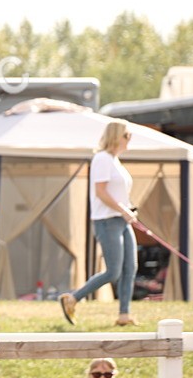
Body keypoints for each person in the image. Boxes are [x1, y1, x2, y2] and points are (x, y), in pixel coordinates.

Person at [59, 121, 140, 327]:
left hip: (121, 220)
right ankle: (73, 298)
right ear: (117, 136)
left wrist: (128, 210)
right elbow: (101, 192)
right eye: (127, 135)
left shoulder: (115, 160)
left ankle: (124, 315)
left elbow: (117, 193)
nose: (129, 138)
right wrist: (123, 211)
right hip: (107, 221)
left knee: (130, 267)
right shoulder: (102, 159)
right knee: (114, 271)